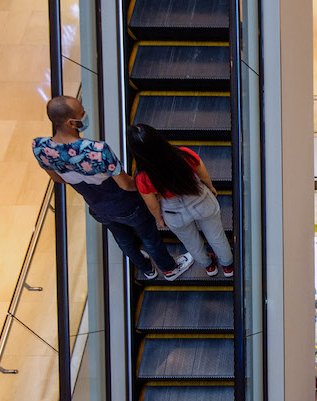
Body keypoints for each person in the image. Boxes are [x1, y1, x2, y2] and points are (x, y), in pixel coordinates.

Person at [32, 96, 193, 281]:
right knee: (149, 236)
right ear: (71, 122)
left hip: (97, 207)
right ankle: (169, 268)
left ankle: (147, 269)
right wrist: (149, 186)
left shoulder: (40, 148)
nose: (85, 115)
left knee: (123, 240)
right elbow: (126, 184)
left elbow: (58, 179)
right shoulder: (96, 150)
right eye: (81, 113)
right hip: (126, 204)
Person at [127, 124, 235, 278]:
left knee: (192, 243)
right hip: (199, 199)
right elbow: (203, 175)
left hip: (174, 212)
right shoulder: (183, 154)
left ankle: (209, 267)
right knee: (216, 236)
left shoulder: (142, 178)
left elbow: (152, 204)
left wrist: (159, 219)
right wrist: (211, 188)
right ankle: (228, 266)